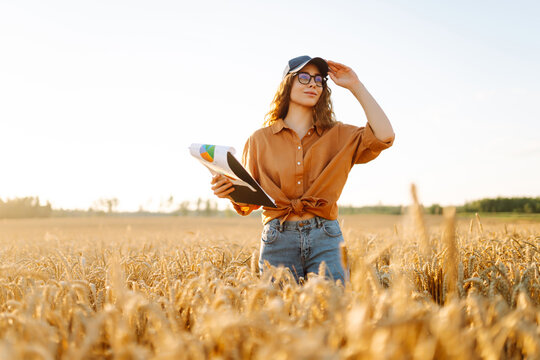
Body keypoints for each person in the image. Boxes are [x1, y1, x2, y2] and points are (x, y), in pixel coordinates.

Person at [211, 55, 395, 283]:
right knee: (280, 314)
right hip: (278, 238)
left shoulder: (339, 134)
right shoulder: (259, 140)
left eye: (319, 80)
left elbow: (385, 135)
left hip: (326, 237)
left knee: (332, 312)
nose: (313, 84)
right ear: (287, 84)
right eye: (304, 77)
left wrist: (355, 86)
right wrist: (228, 190)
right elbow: (251, 201)